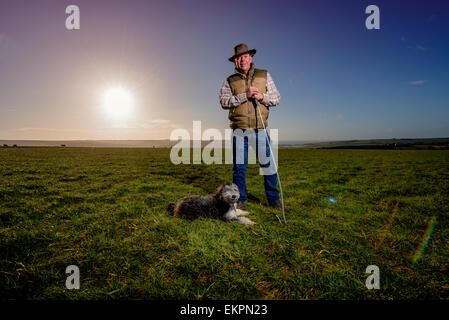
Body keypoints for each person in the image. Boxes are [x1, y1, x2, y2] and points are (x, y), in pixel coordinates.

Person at [219, 43, 283, 210]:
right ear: (235, 61)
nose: (242, 60)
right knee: (239, 168)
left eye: (245, 56)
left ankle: (274, 200)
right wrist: (243, 96)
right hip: (239, 131)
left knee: (268, 166)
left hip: (260, 129)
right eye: (239, 58)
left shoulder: (264, 74)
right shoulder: (229, 81)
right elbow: (223, 102)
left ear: (251, 57)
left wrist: (262, 96)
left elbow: (276, 98)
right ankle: (240, 201)